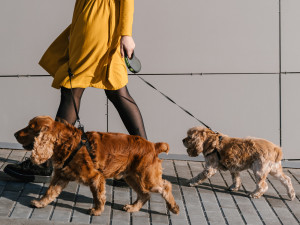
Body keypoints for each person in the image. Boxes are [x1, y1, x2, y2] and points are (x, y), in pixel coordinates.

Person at [4, 0, 147, 183]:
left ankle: (45, 161)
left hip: (98, 23)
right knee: (115, 92)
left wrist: (126, 34)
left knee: (72, 90)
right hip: (93, 20)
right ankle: (143, 163)